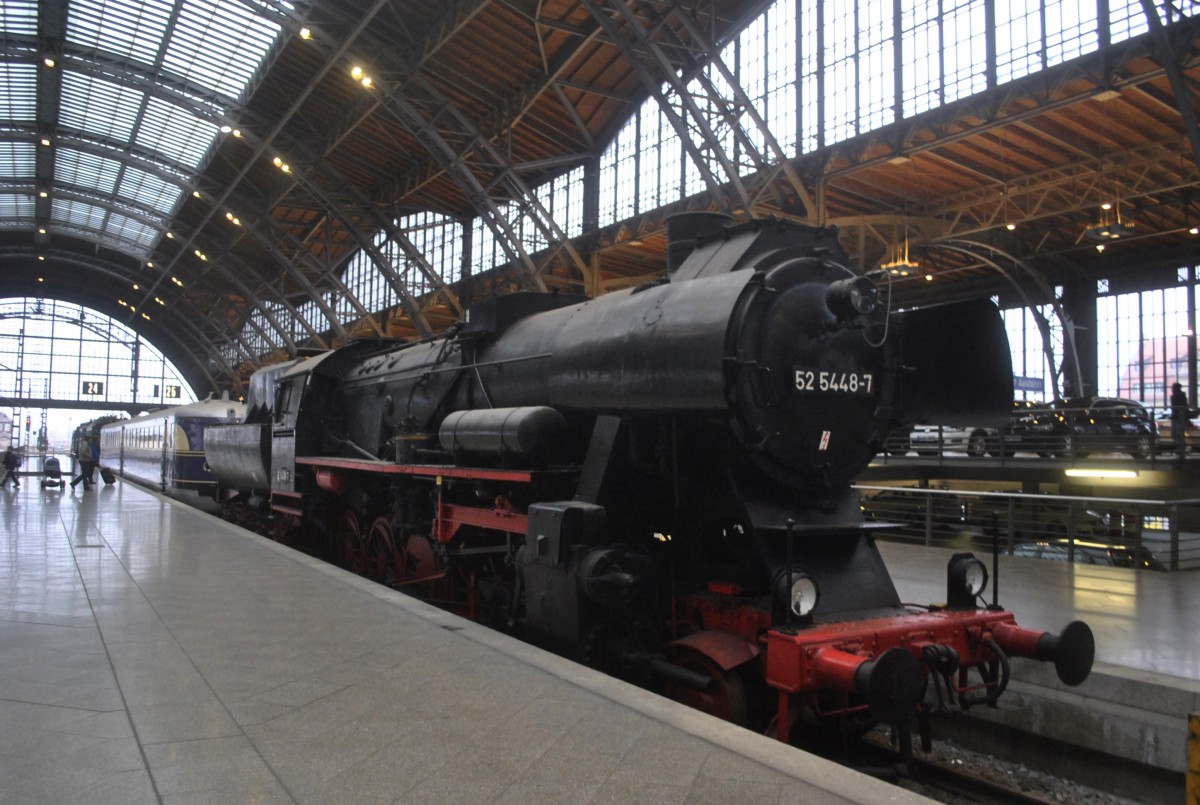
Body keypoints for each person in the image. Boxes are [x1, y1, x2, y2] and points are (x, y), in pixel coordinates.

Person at [1170, 382, 1191, 460]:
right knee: (1179, 434)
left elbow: (1174, 408)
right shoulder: (1182, 397)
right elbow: (1184, 407)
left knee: (1177, 434)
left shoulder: (1175, 397)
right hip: (1180, 418)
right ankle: (1181, 449)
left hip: (1177, 418)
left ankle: (1180, 449)